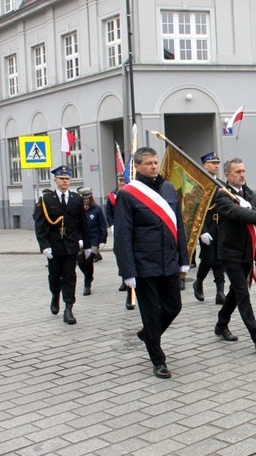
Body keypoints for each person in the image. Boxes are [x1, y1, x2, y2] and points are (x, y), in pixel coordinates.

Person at [114, 147, 189, 379]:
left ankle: (148, 334)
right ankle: (158, 360)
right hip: (144, 264)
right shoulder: (128, 194)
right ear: (136, 167)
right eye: (148, 163)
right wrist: (127, 271)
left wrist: (183, 259)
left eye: (156, 162)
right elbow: (123, 236)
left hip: (169, 261)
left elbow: (179, 225)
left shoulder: (167, 187)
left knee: (173, 306)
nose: (154, 167)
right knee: (150, 313)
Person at [214, 158, 256, 352]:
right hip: (229, 251)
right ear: (227, 175)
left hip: (247, 251)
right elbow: (237, 213)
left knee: (236, 290)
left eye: (243, 171)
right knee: (242, 292)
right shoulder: (222, 195)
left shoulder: (248, 193)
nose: (242, 175)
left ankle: (221, 323)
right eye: (237, 172)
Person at [34, 166, 91, 325]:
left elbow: (83, 223)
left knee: (69, 275)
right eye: (61, 179)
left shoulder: (76, 198)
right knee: (54, 276)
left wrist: (86, 244)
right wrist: (44, 246)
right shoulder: (46, 200)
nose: (64, 181)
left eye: (67, 179)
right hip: (54, 245)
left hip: (71, 244)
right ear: (55, 181)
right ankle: (55, 295)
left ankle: (68, 308)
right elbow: (40, 225)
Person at [193, 152, 227, 305]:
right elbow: (195, 211)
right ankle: (198, 282)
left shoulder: (221, 184)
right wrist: (202, 231)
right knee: (208, 259)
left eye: (217, 163)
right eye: (213, 163)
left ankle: (220, 292)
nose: (216, 166)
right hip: (206, 226)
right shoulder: (198, 185)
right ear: (205, 165)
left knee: (220, 259)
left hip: (220, 226)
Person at [76, 187, 107, 296]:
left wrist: (103, 239)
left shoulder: (96, 209)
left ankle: (87, 284)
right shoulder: (76, 210)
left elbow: (102, 225)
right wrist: (78, 239)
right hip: (80, 240)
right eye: (84, 199)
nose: (86, 200)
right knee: (80, 263)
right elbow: (74, 226)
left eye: (88, 198)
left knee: (89, 261)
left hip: (93, 239)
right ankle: (89, 276)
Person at [106, 173, 132, 302]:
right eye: (120, 180)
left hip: (129, 230)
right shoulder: (112, 196)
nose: (122, 183)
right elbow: (108, 212)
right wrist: (112, 225)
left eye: (124, 180)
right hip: (118, 230)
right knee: (120, 254)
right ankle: (123, 278)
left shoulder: (131, 194)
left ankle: (130, 289)